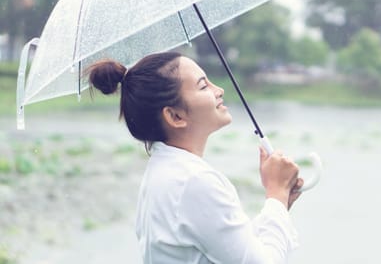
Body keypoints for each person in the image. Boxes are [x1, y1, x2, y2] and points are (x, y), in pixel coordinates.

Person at [87, 50, 304, 264]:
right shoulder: (193, 181)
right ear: (175, 116)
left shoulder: (167, 171)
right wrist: (275, 195)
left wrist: (279, 201)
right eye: (203, 86)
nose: (218, 90)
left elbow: (232, 246)